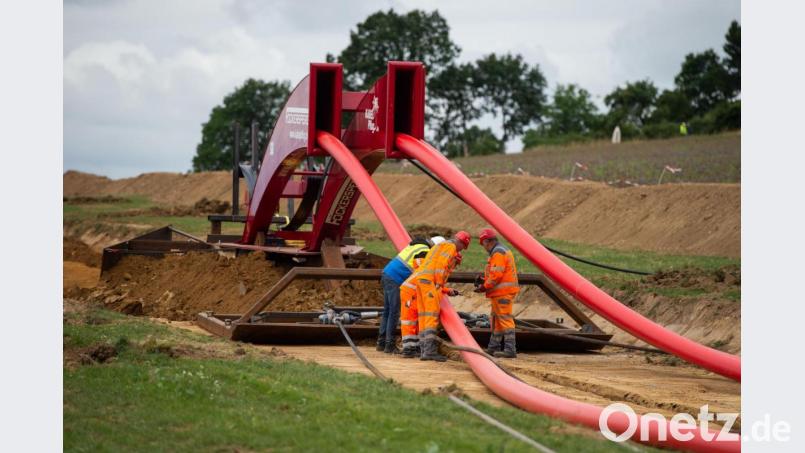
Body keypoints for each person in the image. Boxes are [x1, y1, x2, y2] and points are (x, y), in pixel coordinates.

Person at [414, 231, 470, 361]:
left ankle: (424, 350)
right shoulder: (451, 247)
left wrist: (444, 288)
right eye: (463, 247)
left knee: (424, 316)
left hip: (421, 280)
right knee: (432, 316)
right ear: (461, 243)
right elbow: (441, 266)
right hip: (430, 282)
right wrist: (439, 284)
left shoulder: (440, 245)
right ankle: (429, 351)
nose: (461, 250)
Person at [399, 247, 460, 358]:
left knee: (415, 320)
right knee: (409, 320)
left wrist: (447, 290)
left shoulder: (430, 265)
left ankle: (414, 348)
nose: (455, 266)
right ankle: (409, 349)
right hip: (411, 292)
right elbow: (432, 284)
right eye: (456, 262)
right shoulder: (436, 266)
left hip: (413, 291)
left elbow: (433, 284)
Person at [377, 237, 431, 354]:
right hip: (395, 278)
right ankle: (389, 345)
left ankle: (381, 343)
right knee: (394, 312)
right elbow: (422, 271)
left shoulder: (416, 246)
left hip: (387, 273)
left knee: (387, 311)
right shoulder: (425, 251)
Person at [475, 228, 520, 358]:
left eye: (483, 244)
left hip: (503, 293)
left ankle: (510, 350)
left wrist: (484, 286)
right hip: (499, 293)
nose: (483, 247)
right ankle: (493, 347)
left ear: (488, 242)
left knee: (505, 320)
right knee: (497, 321)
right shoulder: (499, 251)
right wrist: (484, 281)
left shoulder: (498, 253)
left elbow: (496, 275)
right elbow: (497, 274)